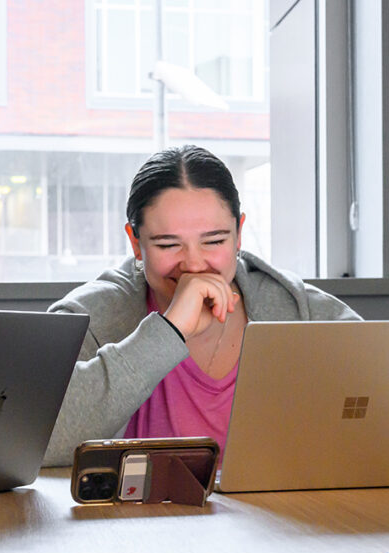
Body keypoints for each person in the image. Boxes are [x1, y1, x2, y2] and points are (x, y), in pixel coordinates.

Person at [43, 145, 361, 467]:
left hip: (277, 516)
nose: (194, 265)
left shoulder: (300, 310)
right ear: (136, 244)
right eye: (168, 244)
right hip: (132, 518)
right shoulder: (91, 317)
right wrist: (168, 332)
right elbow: (37, 441)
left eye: (214, 241)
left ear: (239, 236)